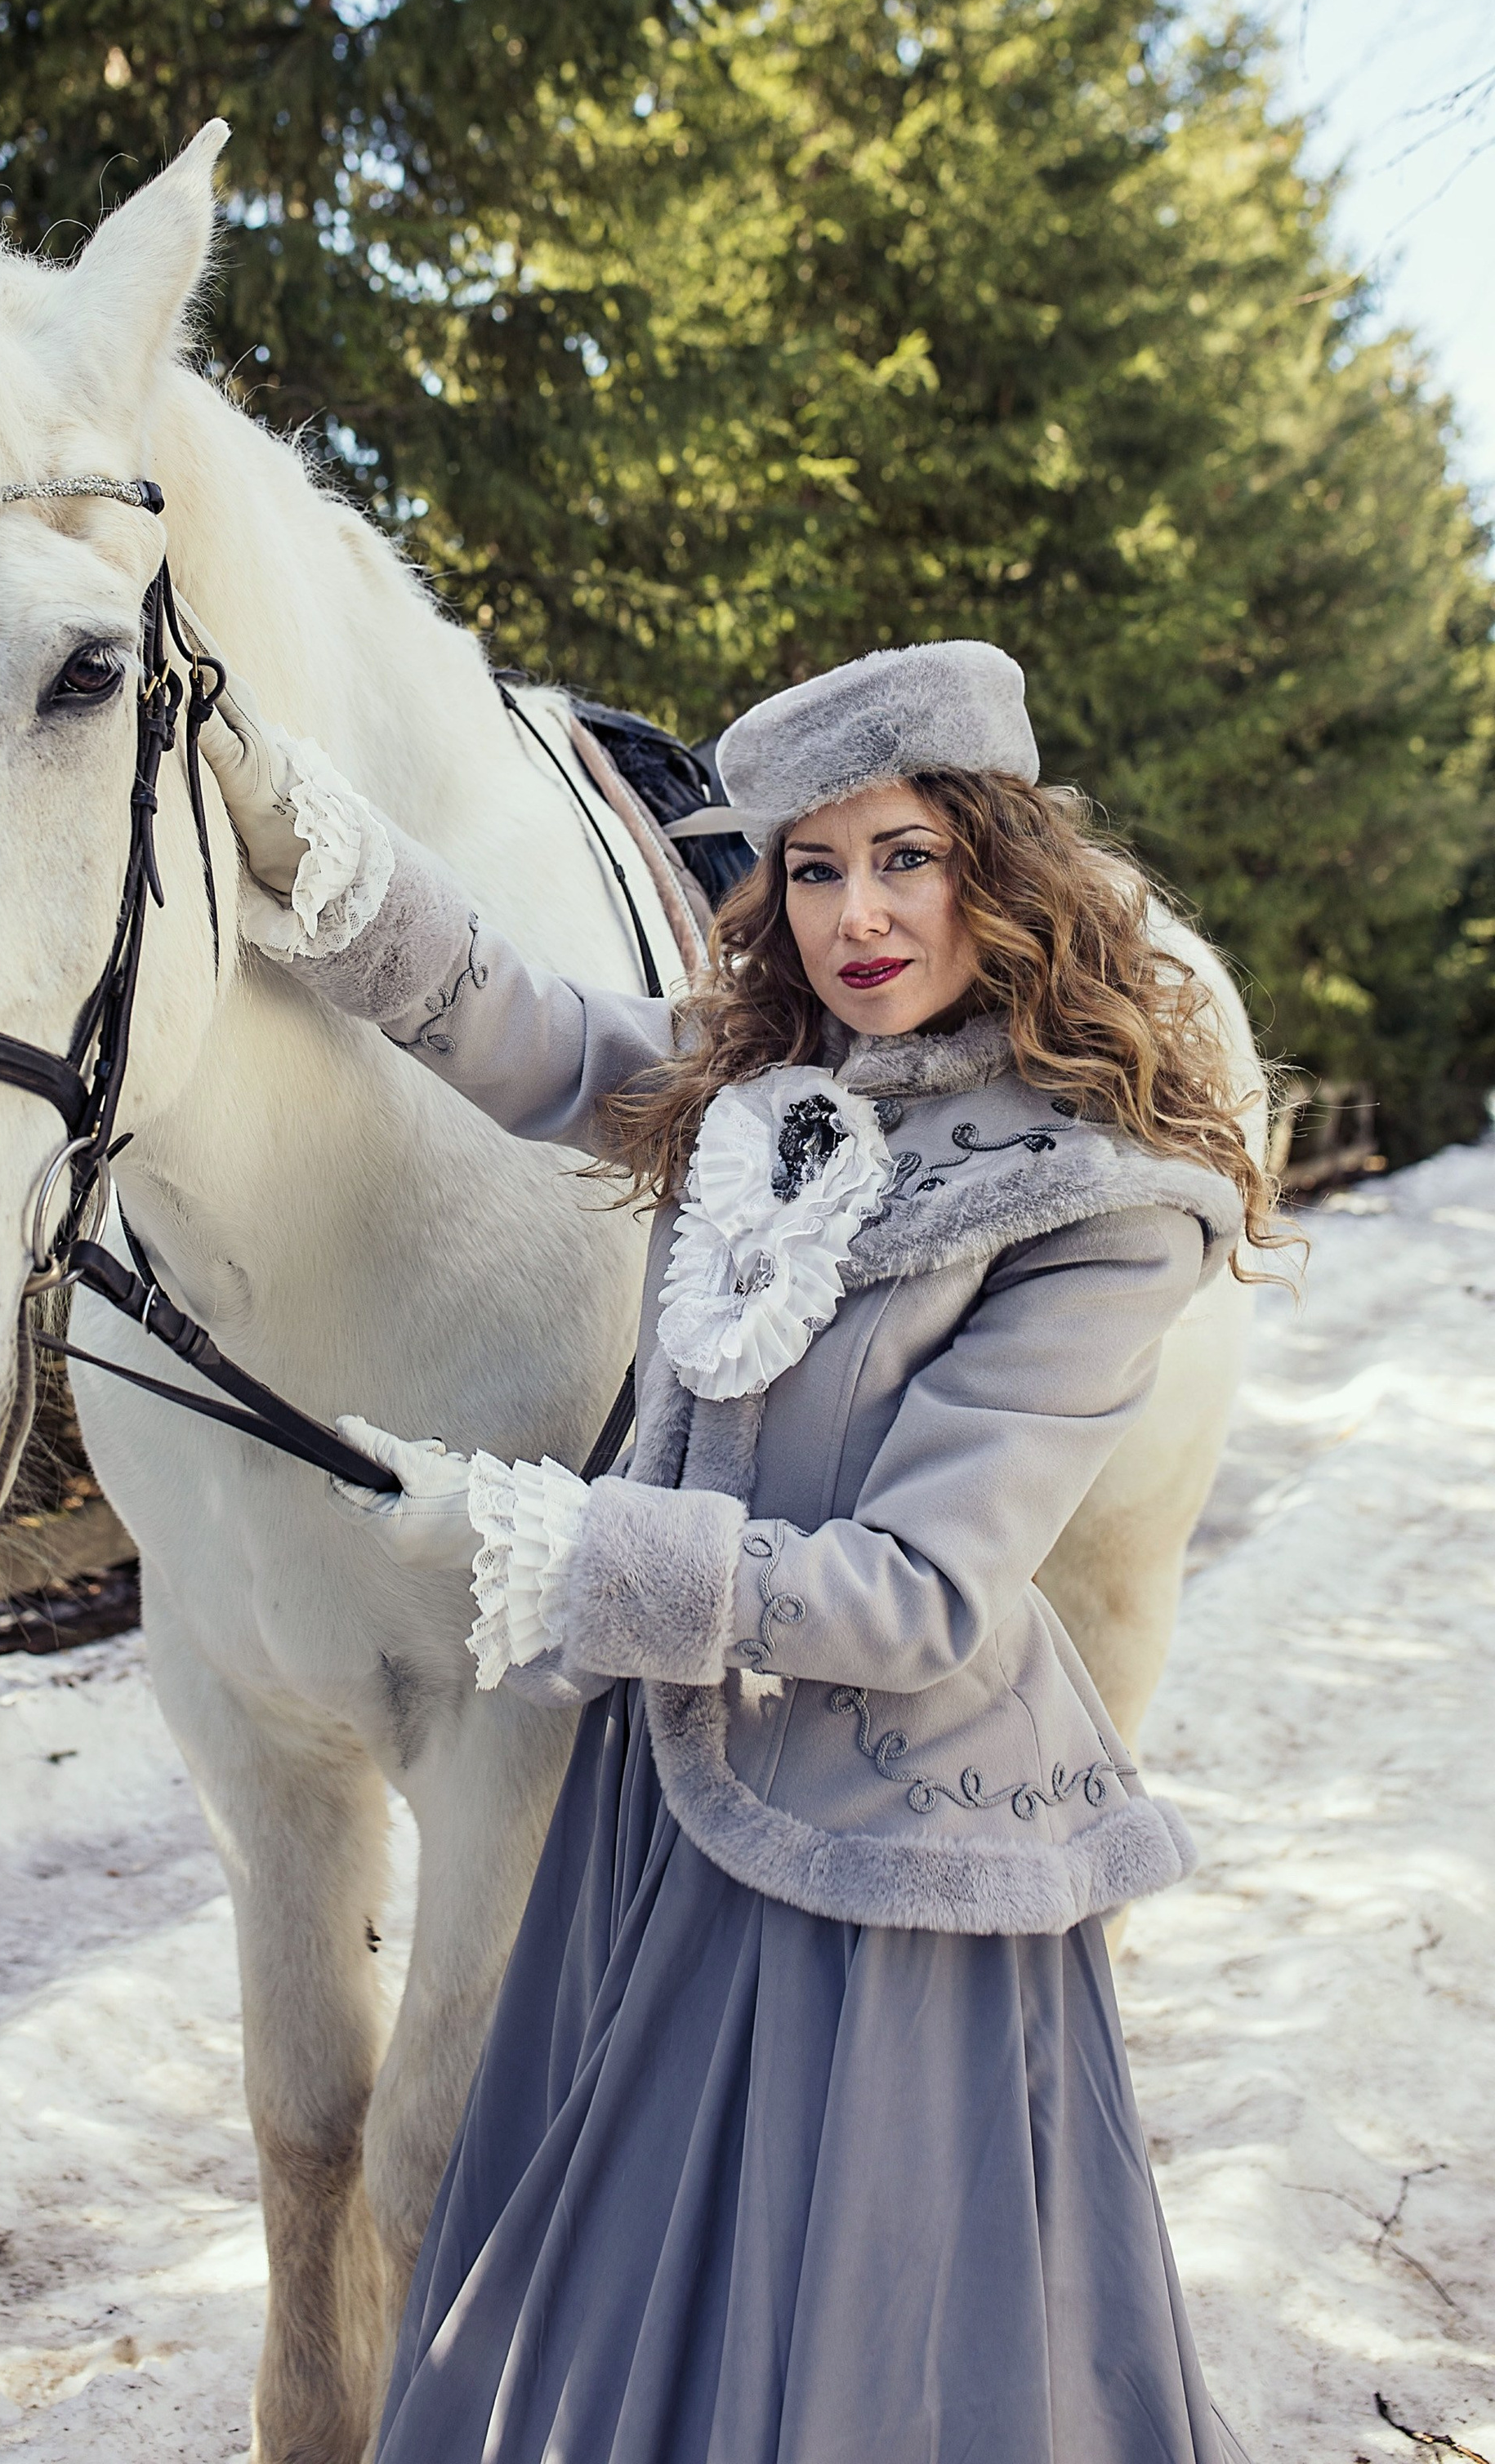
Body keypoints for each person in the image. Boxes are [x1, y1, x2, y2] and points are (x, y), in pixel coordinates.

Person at [206, 638, 1271, 2464]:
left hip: (893, 1857)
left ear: (996, 866)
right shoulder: (763, 1101)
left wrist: (556, 1540)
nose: (856, 915)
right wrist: (324, 855)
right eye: (810, 867)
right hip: (668, 1814)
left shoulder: (1095, 1206)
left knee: (857, 2359)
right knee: (659, 2320)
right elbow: (527, 1034)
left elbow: (920, 1595)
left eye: (905, 856)